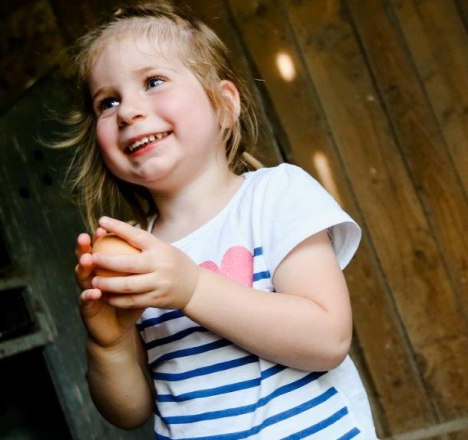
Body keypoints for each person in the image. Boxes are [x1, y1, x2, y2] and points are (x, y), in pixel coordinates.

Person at [59, 2, 378, 439]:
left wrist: (191, 288)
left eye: (153, 81)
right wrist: (108, 344)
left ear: (224, 105)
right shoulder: (135, 255)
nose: (129, 111)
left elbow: (327, 340)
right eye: (107, 101)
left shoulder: (276, 195)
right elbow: (130, 412)